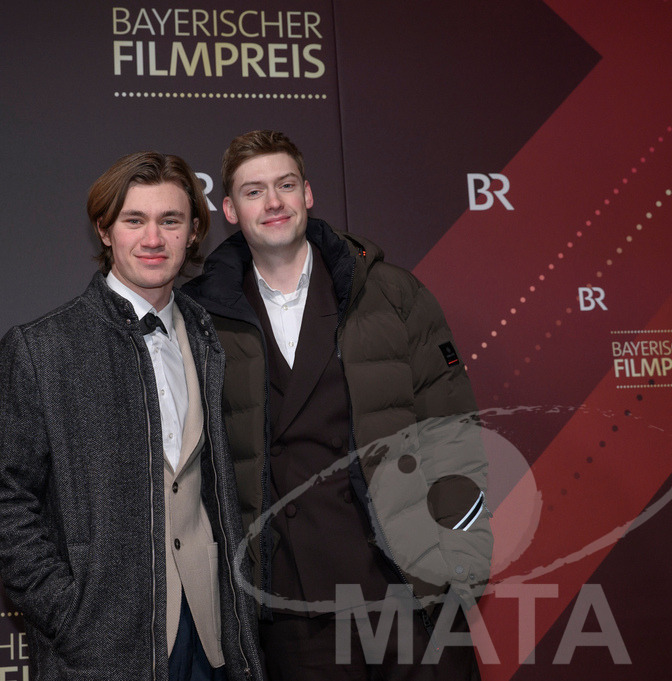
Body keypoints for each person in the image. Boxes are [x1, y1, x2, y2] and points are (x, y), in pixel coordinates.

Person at [183, 130, 492, 680]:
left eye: (285, 185)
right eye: (254, 191)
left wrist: (460, 561)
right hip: (295, 606)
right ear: (229, 209)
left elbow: (453, 432)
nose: (273, 202)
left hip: (410, 586)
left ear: (308, 193)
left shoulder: (391, 293)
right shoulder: (202, 316)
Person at [0, 151, 265, 681]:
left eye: (170, 221)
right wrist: (71, 616)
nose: (153, 239)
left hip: (213, 636)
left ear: (194, 232)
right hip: (103, 650)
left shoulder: (210, 339)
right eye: (135, 220)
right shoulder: (41, 348)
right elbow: (4, 502)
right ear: (105, 231)